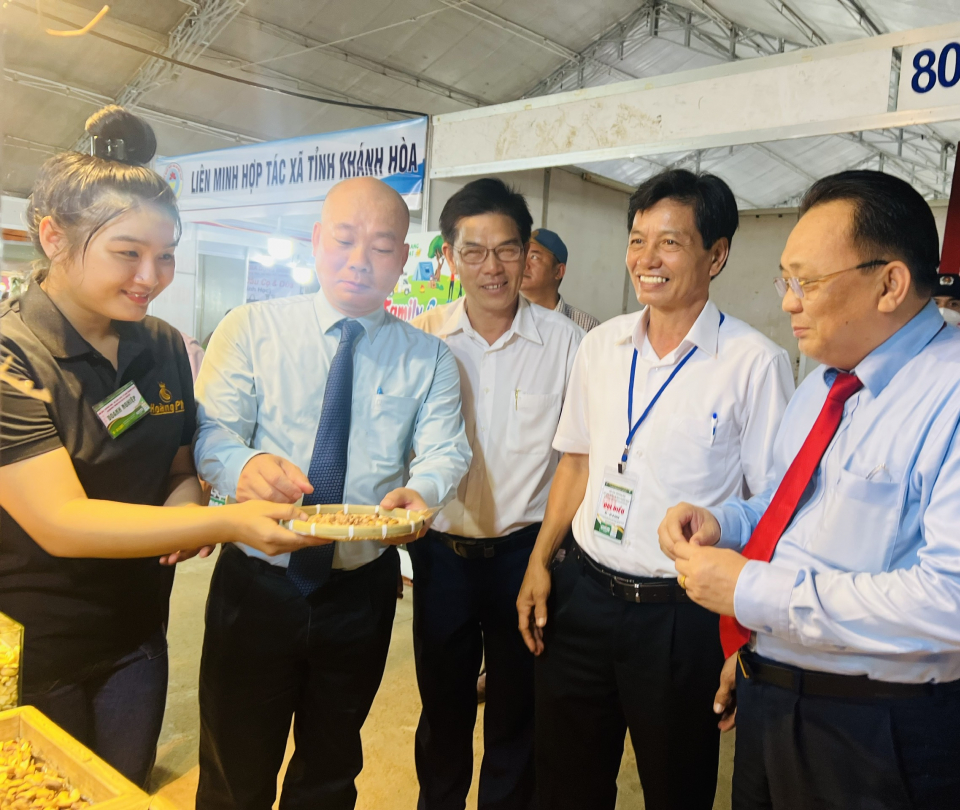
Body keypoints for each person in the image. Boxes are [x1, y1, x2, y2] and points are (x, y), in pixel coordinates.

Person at [659, 170, 960, 810]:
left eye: (806, 282)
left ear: (891, 283)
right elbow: (788, 508)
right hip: (774, 697)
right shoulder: (822, 386)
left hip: (879, 731)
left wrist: (750, 591)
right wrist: (725, 523)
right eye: (785, 281)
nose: (788, 301)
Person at [0, 106, 317, 788]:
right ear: (53, 237)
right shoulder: (11, 357)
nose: (152, 275)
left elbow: (180, 460)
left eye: (166, 255)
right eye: (128, 254)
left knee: (125, 784)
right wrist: (223, 520)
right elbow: (61, 521)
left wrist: (187, 505)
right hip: (34, 644)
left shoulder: (163, 343)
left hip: (138, 632)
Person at [516, 169, 794, 810]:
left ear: (716, 254)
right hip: (581, 594)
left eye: (669, 242)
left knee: (677, 783)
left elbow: (774, 510)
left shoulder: (753, 364)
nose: (647, 259)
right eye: (637, 239)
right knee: (564, 780)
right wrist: (539, 562)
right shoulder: (602, 345)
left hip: (681, 617)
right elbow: (576, 464)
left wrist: (743, 637)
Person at [193, 176, 472, 810]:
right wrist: (243, 465)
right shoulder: (252, 328)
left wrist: (421, 490)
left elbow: (445, 449)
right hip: (256, 585)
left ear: (404, 259)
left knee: (331, 764)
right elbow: (211, 430)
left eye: (380, 247)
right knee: (234, 767)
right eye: (344, 240)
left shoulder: (427, 358)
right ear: (317, 242)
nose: (359, 260)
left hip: (359, 589)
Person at [410, 179, 584, 810]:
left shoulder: (567, 345)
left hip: (527, 559)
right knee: (443, 708)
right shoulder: (421, 339)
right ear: (450, 258)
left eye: (507, 250)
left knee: (518, 713)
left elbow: (577, 460)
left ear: (527, 253)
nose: (493, 267)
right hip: (440, 557)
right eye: (474, 251)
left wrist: (545, 556)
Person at [523, 228, 601, 332]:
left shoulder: (587, 327)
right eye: (522, 256)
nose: (523, 265)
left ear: (559, 271)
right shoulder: (502, 320)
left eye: (534, 257)